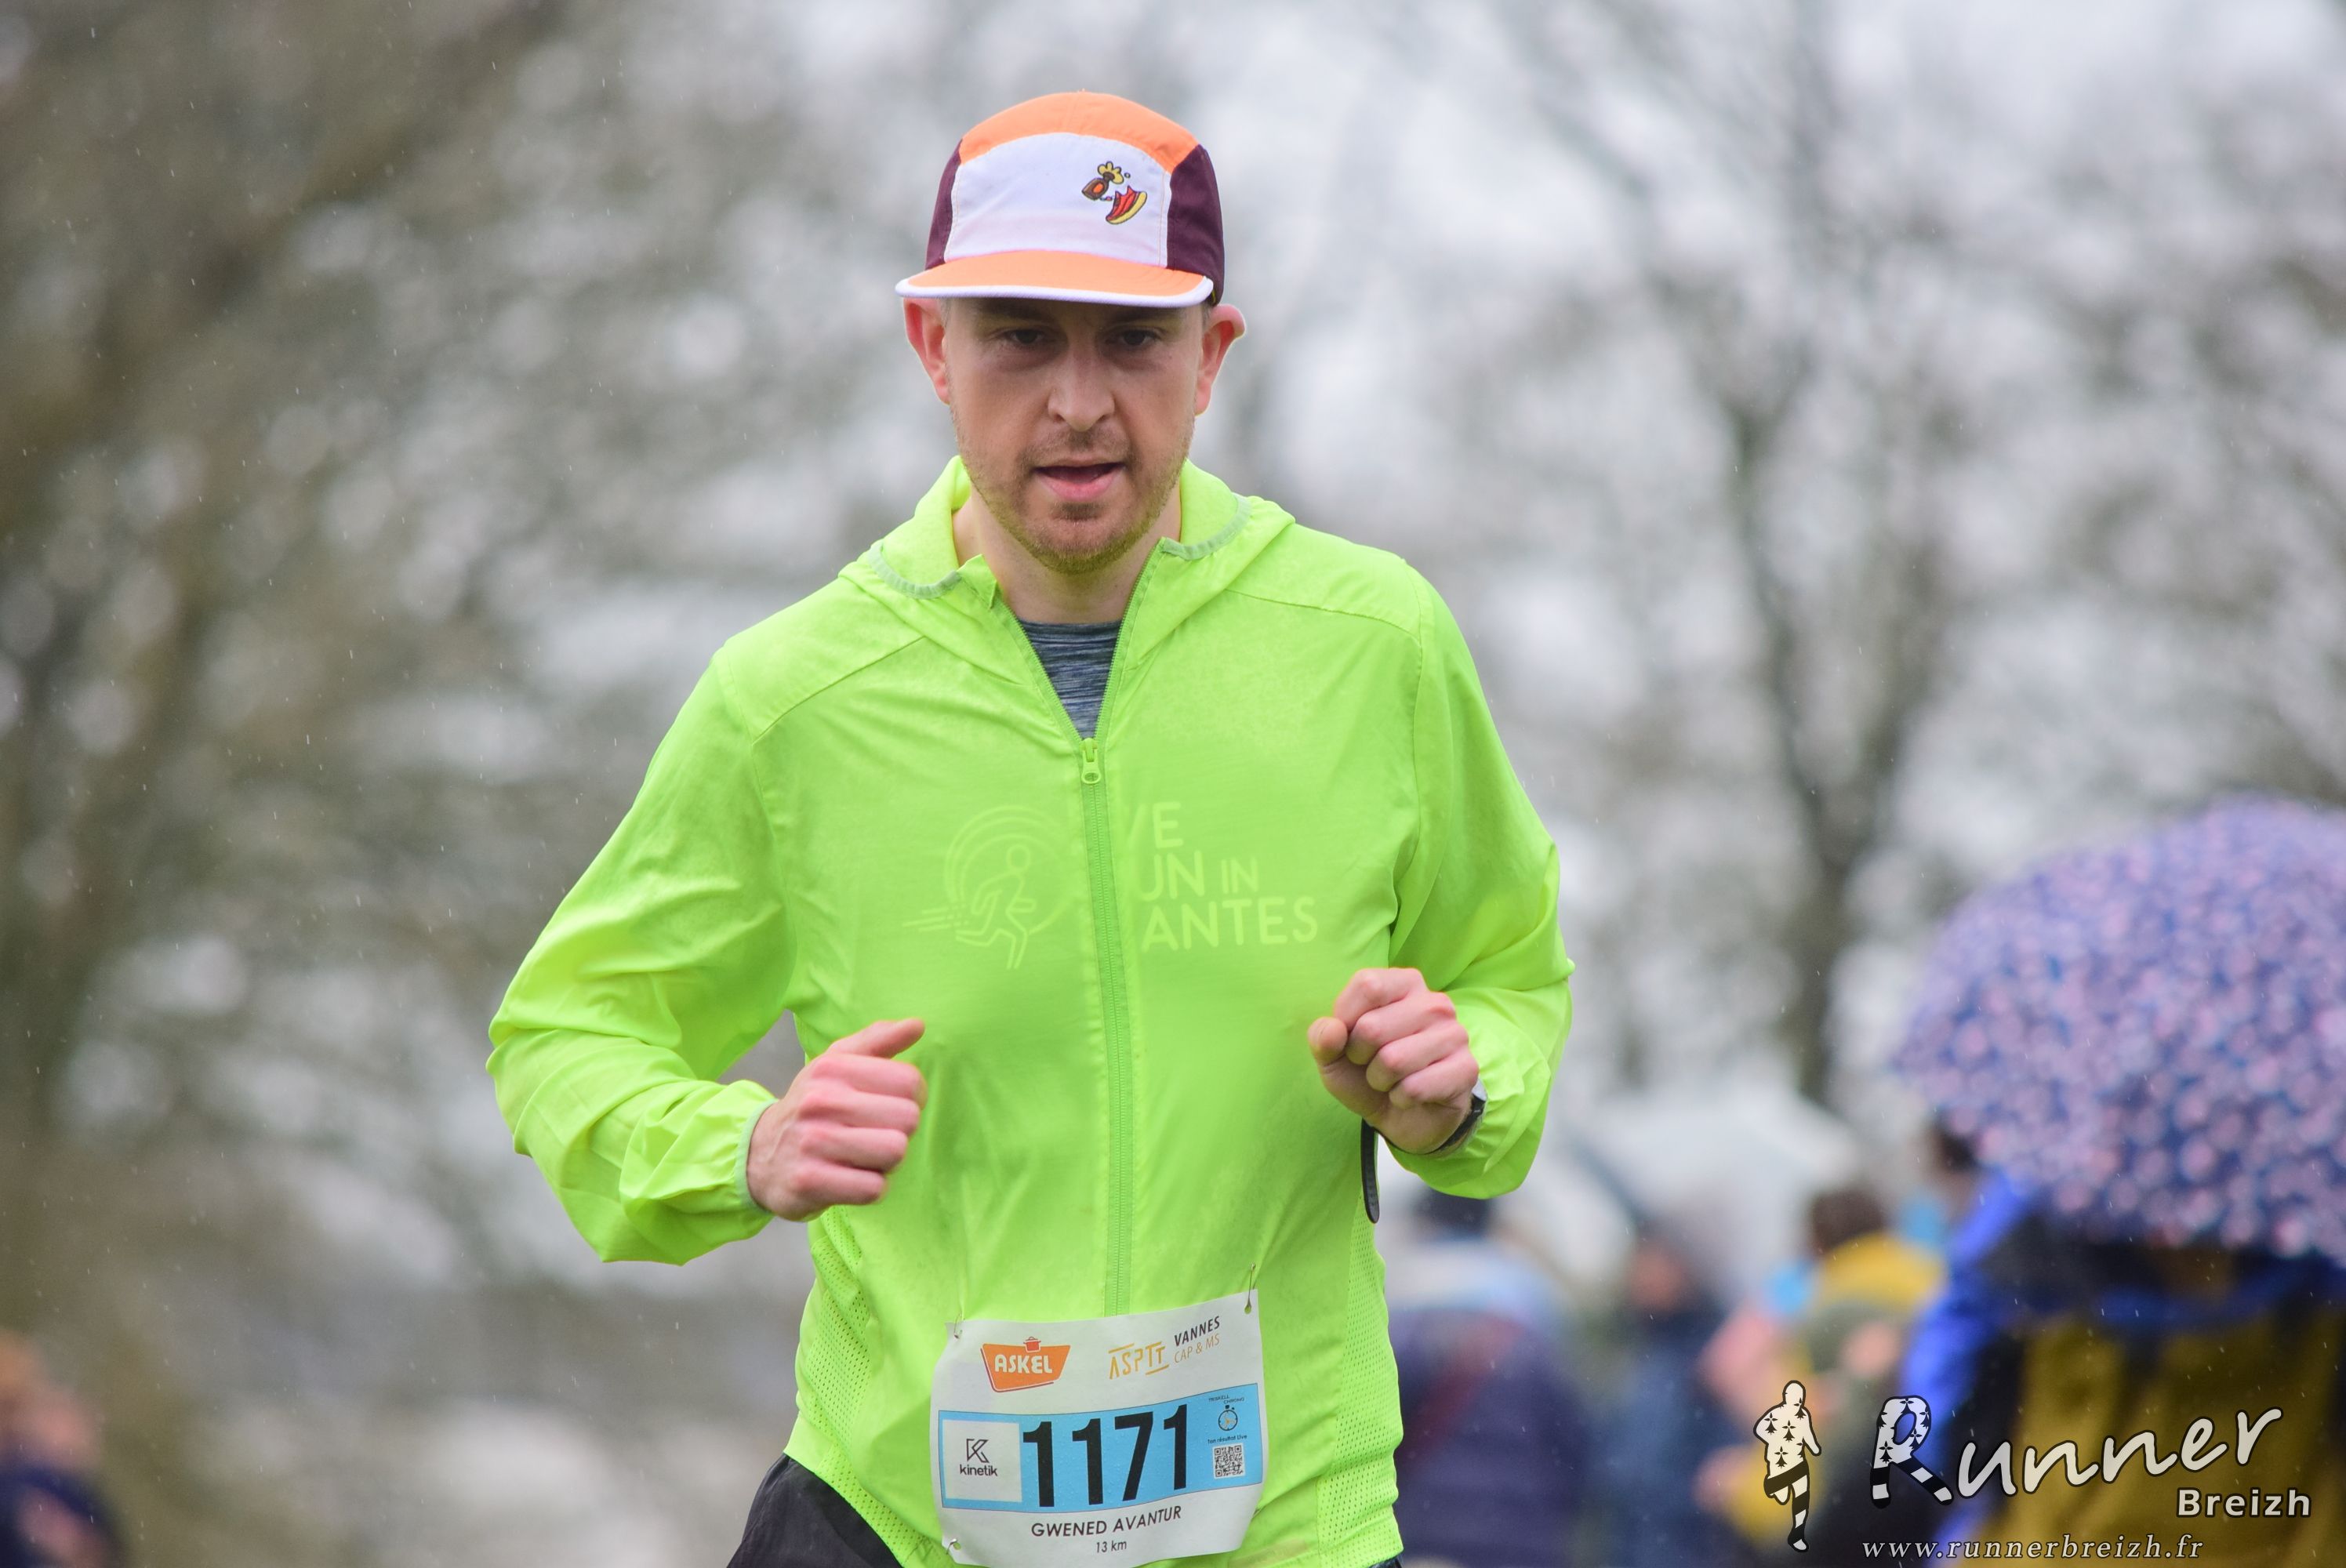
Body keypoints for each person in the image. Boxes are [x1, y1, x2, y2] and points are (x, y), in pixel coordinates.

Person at [485, 89, 1577, 1568]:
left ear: (1212, 357)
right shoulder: (795, 698)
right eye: (1019, 336)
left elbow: (1507, 974)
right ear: (932, 347)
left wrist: (1459, 1090)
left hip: (1287, 1532)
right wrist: (742, 1147)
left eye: (1132, 340)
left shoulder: (1373, 646)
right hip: (896, 1525)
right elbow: (567, 1034)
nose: (1076, 402)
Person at [1385, 1192, 1588, 1568]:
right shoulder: (1533, 1309)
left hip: (1423, 1532)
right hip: (1520, 1538)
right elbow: (1571, 1446)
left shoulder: (1394, 1311)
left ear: (1428, 1223)